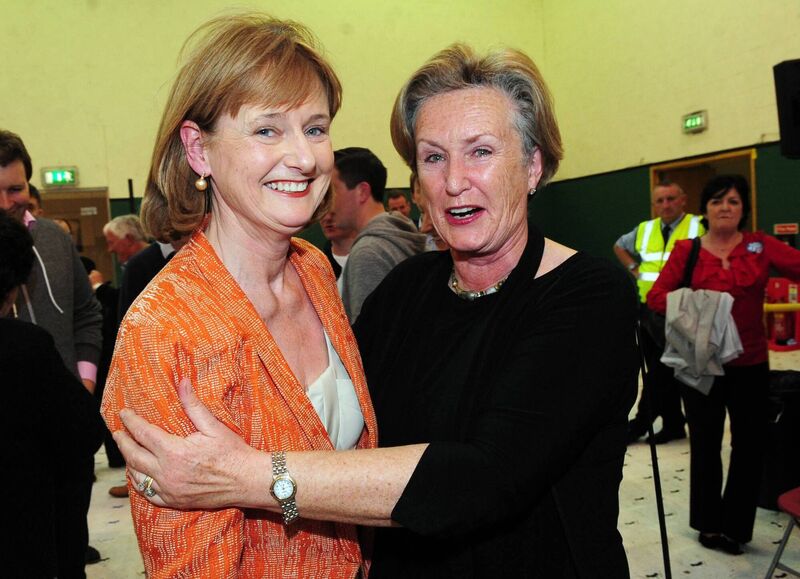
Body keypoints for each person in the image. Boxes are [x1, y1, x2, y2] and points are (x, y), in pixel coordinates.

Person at [114, 43, 639, 578]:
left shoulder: (590, 296)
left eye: (481, 151)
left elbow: (484, 479)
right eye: (433, 157)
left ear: (533, 164)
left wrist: (250, 476)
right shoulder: (404, 290)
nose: (454, 180)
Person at [100, 14, 377, 578]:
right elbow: (189, 563)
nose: (303, 157)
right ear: (199, 151)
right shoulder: (163, 328)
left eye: (316, 128)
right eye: (267, 130)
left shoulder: (314, 270)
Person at [648, 174, 800, 555]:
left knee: (749, 446)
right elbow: (656, 297)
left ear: (743, 208)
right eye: (717, 201)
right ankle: (708, 523)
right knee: (705, 443)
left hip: (750, 363)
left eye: (733, 201)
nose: (725, 208)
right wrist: (699, 307)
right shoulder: (688, 250)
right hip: (701, 363)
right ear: (706, 209)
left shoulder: (760, 246)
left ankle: (736, 528)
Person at [0, 129, 104, 567]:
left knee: (68, 554)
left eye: (16, 188)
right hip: (9, 447)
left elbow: (86, 315)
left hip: (64, 430)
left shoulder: (55, 239)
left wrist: (83, 381)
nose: (8, 202)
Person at [614, 180, 704, 444]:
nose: (666, 205)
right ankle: (674, 423)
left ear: (683, 200)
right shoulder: (646, 229)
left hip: (684, 310)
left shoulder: (699, 226)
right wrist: (634, 269)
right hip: (648, 311)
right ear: (654, 205)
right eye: (660, 200)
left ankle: (641, 422)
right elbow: (619, 245)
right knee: (662, 368)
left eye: (671, 199)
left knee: (661, 370)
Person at [332, 147, 426, 322]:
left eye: (333, 190)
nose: (327, 200)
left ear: (362, 192)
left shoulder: (368, 253)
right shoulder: (399, 233)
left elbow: (369, 340)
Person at [320, 208, 357, 282]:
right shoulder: (320, 266)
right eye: (321, 210)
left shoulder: (376, 251)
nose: (327, 217)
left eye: (335, 208)